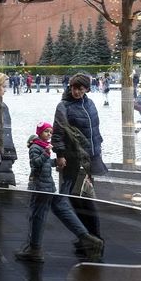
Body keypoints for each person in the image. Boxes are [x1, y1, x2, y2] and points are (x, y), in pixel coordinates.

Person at [14, 123, 105, 262]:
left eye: (51, 132)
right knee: (62, 209)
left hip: (42, 186)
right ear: (40, 133)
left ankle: (35, 248)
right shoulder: (38, 147)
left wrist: (54, 159)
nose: (49, 134)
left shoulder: (43, 147)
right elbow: (38, 163)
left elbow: (38, 164)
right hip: (51, 184)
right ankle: (88, 239)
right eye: (46, 132)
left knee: (37, 214)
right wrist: (53, 158)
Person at [52, 73, 109, 257]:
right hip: (73, 159)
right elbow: (58, 133)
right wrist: (60, 154)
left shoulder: (90, 104)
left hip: (89, 160)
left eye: (80, 88)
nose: (76, 91)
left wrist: (97, 155)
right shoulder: (64, 106)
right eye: (74, 88)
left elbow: (95, 132)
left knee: (84, 199)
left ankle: (94, 238)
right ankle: (88, 237)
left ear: (86, 90)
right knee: (76, 199)